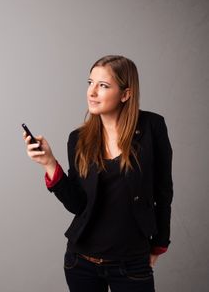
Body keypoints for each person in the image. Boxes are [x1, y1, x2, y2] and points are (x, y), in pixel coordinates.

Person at [23, 55, 173, 292]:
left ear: (125, 94)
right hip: (80, 262)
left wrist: (160, 243)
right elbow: (77, 204)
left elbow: (164, 191)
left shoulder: (152, 127)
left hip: (131, 262)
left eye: (103, 85)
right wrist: (49, 163)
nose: (92, 92)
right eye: (90, 82)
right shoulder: (79, 139)